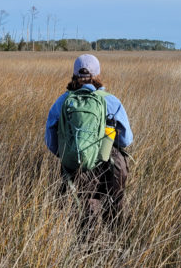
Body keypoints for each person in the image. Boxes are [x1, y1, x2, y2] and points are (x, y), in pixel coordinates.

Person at [45, 54, 133, 231]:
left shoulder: (62, 101)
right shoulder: (110, 100)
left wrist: (67, 154)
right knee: (114, 201)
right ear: (98, 74)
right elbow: (126, 140)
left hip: (74, 160)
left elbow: (51, 140)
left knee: (83, 205)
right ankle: (116, 238)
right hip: (110, 161)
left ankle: (87, 246)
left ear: (75, 75)